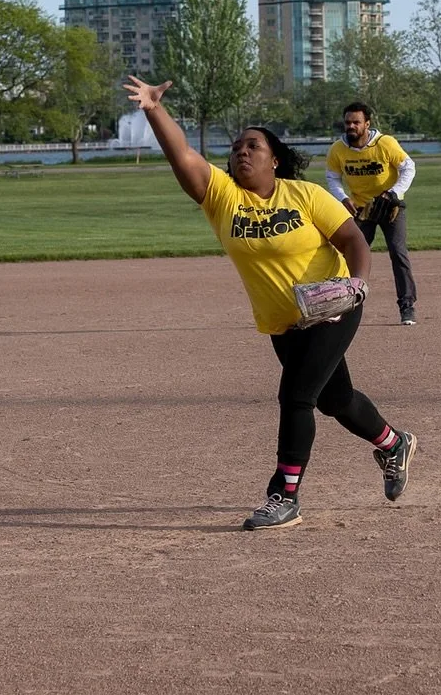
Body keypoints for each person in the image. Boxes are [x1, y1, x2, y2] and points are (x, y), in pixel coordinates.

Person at [123, 75, 416, 531]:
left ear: (274, 159)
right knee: (334, 399)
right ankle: (393, 442)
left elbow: (354, 239)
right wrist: (154, 109)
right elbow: (182, 155)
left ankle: (284, 495)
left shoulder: (305, 195)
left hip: (333, 304)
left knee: (296, 397)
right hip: (283, 321)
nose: (242, 150)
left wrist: (358, 285)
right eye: (237, 145)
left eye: (253, 145)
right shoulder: (223, 200)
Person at [325, 102, 418, 325]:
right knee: (348, 255)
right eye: (348, 122)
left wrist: (394, 193)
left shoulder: (385, 143)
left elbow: (409, 167)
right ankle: (342, 305)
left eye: (356, 122)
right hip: (360, 209)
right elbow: (332, 177)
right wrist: (343, 199)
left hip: (389, 208)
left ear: (367, 123)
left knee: (398, 252)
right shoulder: (338, 149)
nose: (351, 126)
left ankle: (407, 306)